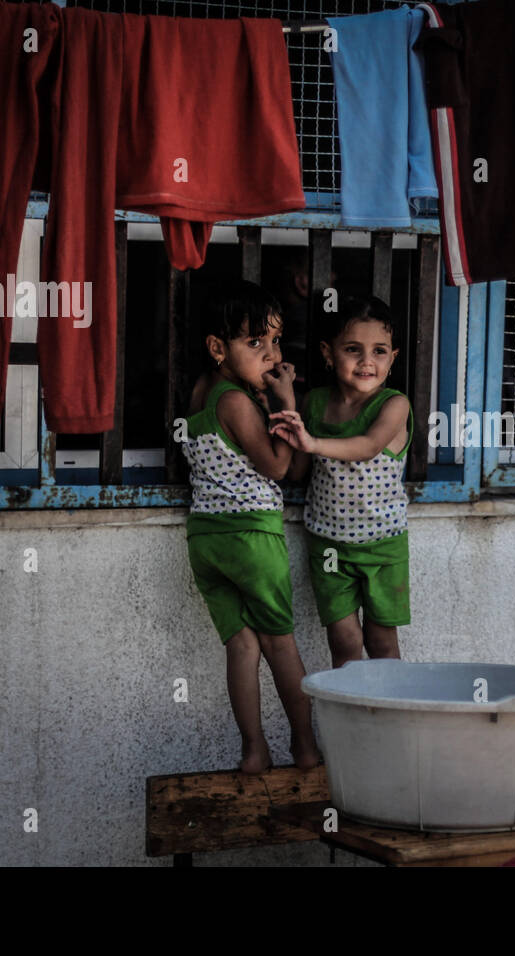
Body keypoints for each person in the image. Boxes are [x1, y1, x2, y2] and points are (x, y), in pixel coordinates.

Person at [182, 279, 321, 772]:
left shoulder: (202, 392)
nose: (270, 354)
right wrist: (287, 402)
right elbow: (279, 467)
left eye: (275, 341)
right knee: (279, 643)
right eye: (255, 343)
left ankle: (253, 750)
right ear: (218, 348)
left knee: (241, 645)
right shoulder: (238, 404)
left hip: (206, 540)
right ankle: (304, 748)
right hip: (251, 538)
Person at [268, 296, 413, 669]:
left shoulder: (394, 405)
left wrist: (314, 443)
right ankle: (350, 724)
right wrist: (288, 402)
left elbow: (367, 447)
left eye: (379, 351)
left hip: (383, 546)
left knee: (381, 641)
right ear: (328, 354)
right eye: (353, 349)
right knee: (344, 641)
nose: (367, 361)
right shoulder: (315, 403)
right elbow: (298, 471)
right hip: (328, 546)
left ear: (392, 358)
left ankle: (389, 722)